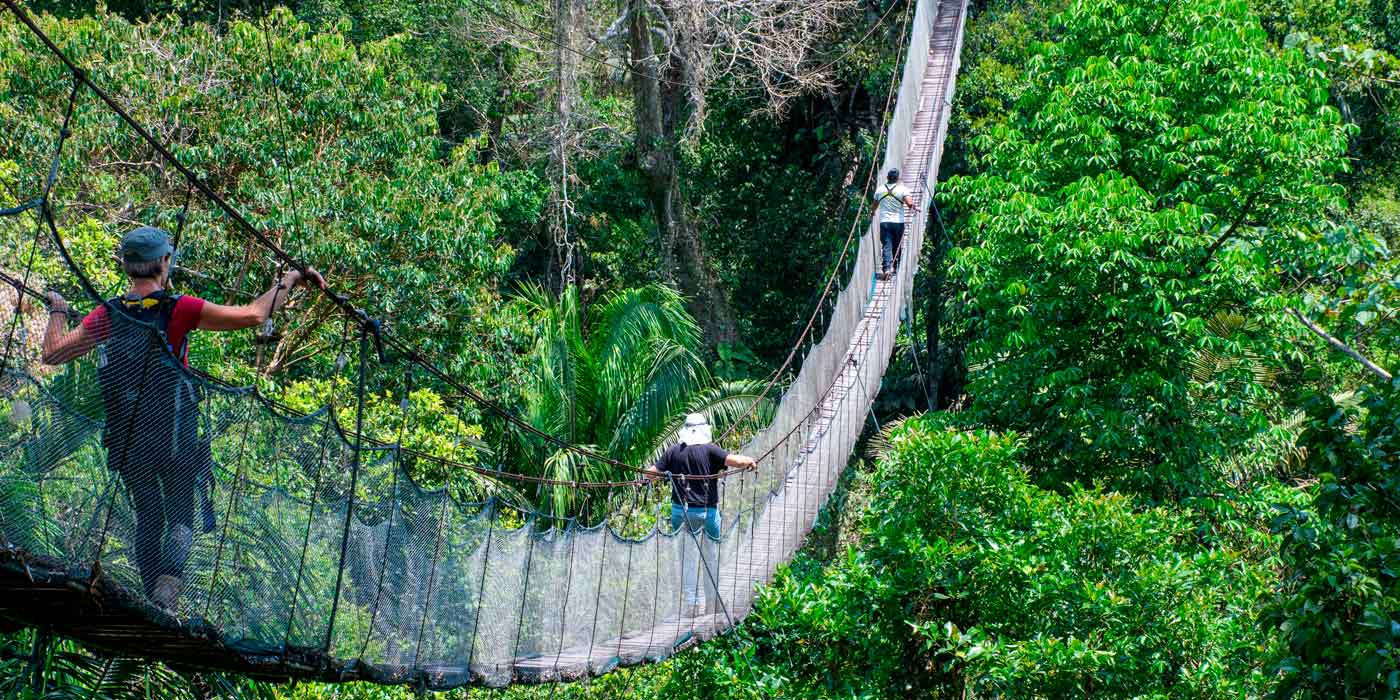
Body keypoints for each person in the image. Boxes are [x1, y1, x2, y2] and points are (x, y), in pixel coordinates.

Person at [41, 225, 325, 610]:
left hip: (129, 440)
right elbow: (255, 315)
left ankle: (149, 601)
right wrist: (290, 279)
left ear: (127, 267)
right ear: (163, 263)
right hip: (176, 436)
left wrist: (58, 308)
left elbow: (54, 353)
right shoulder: (180, 309)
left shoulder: (107, 314)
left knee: (148, 515)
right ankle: (166, 596)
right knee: (179, 515)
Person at [644, 413, 757, 617]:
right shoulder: (710, 449)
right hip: (707, 512)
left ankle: (692, 604)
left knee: (688, 558)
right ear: (705, 429)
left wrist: (656, 476)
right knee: (711, 556)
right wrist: (749, 460)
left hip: (682, 513)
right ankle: (713, 602)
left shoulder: (673, 452)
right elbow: (736, 461)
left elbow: (651, 473)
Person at [872, 168, 918, 280]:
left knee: (887, 245)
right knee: (897, 245)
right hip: (898, 222)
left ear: (887, 177)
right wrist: (914, 207)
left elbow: (874, 205)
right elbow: (909, 203)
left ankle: (887, 268)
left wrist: (872, 213)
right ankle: (896, 267)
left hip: (885, 222)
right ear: (897, 179)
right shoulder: (902, 189)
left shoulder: (880, 189)